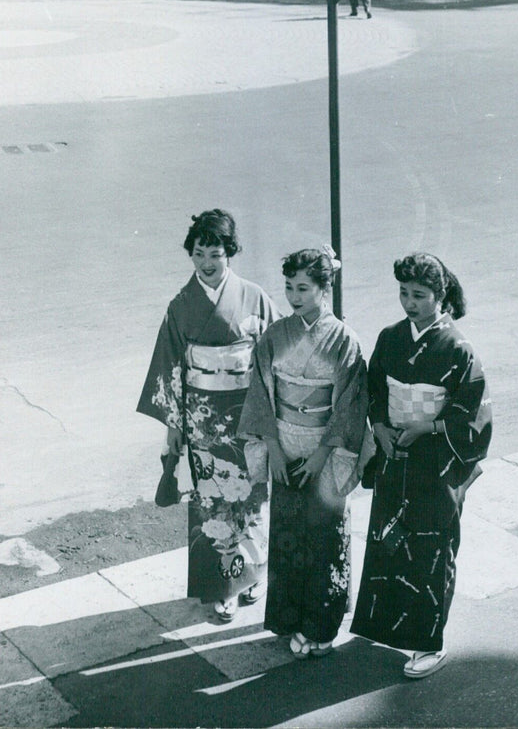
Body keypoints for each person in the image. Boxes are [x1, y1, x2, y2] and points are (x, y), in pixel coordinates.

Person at [350, 253, 492, 679]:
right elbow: (374, 387)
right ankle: (384, 627)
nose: (409, 303)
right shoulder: (391, 337)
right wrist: (378, 426)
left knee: (431, 550)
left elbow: (473, 416)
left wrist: (428, 424)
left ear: (440, 296)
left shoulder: (458, 348)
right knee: (389, 542)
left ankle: (429, 643)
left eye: (419, 295)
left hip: (434, 462)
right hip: (395, 454)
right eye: (404, 293)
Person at [137, 209, 280, 622]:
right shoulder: (181, 306)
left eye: (214, 253)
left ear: (229, 253)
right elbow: (170, 369)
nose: (206, 262)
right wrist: (174, 426)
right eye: (198, 253)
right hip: (203, 418)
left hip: (248, 412)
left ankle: (255, 576)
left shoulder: (253, 296)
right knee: (213, 500)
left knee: (253, 496)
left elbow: (273, 355)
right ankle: (223, 588)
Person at [239, 246, 371, 658]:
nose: (294, 296)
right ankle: (289, 619)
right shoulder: (276, 335)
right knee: (288, 533)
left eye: (303, 288)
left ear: (324, 288)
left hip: (325, 449)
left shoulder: (344, 341)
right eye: (289, 288)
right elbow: (262, 393)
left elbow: (350, 403)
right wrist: (273, 449)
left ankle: (323, 627)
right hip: (283, 442)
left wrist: (321, 455)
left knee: (325, 536)